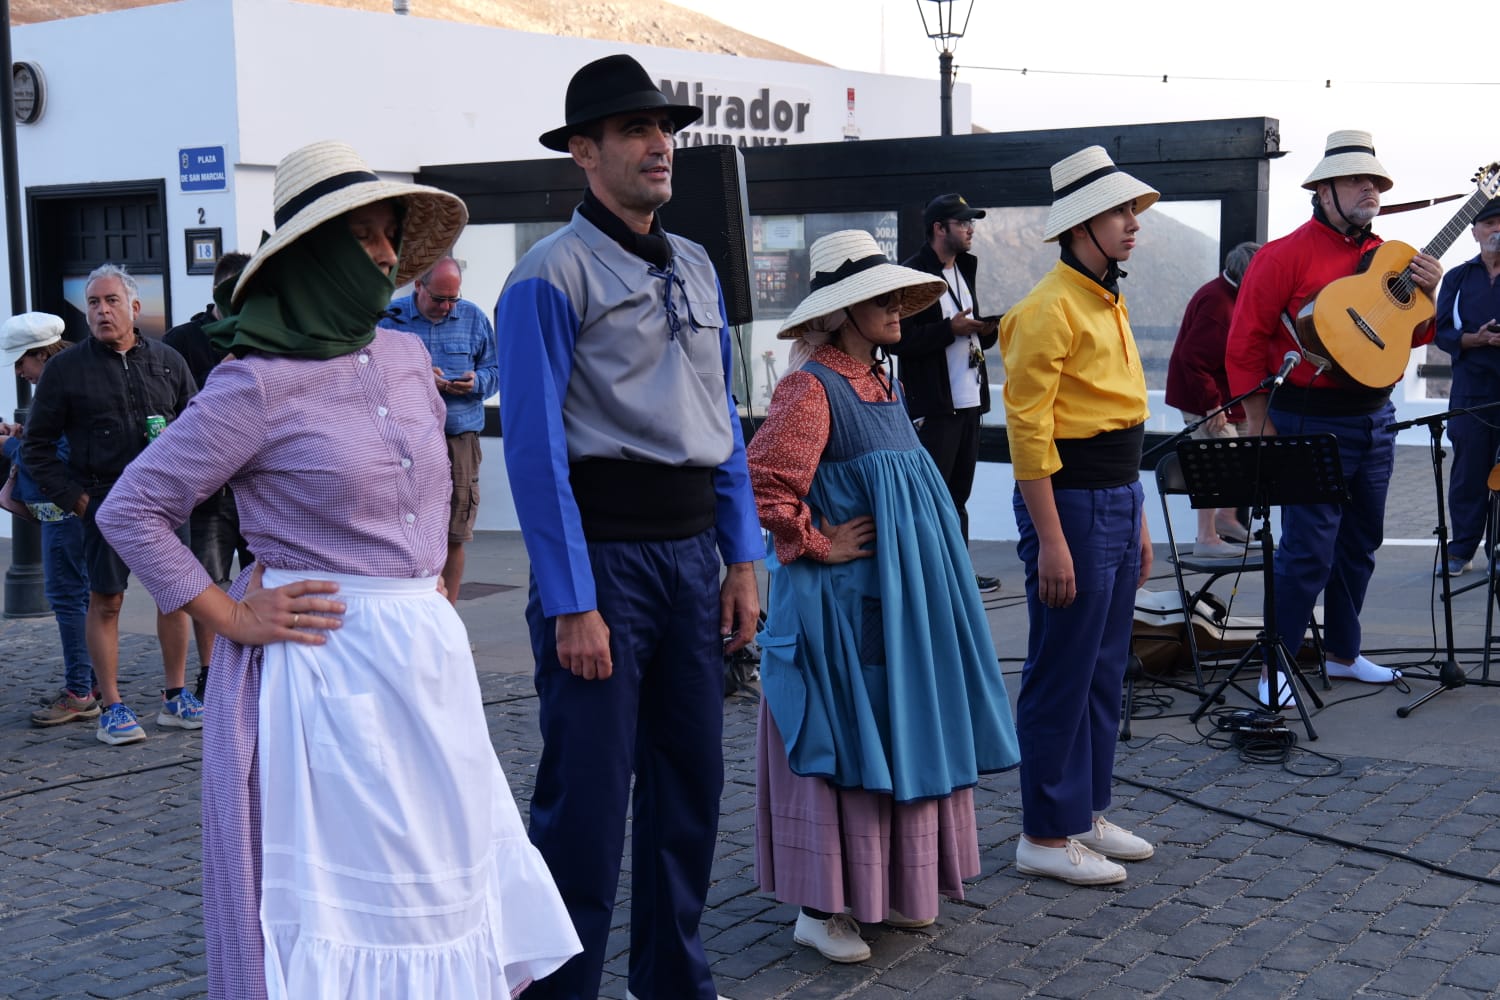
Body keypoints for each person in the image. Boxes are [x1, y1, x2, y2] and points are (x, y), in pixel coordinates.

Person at [96, 140, 579, 999]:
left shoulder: (401, 357)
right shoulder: (253, 383)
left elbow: (421, 490)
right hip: (326, 671)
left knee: (449, 877)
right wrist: (230, 613)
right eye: (364, 237)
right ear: (313, 253)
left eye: (390, 234)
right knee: (364, 902)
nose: (390, 256)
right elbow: (131, 509)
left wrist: (421, 579)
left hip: (424, 664)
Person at [495, 53, 762, 1000]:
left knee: (690, 790)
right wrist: (571, 602)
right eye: (637, 131)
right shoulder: (545, 277)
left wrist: (742, 554)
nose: (661, 146)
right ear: (583, 151)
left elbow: (722, 415)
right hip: (602, 565)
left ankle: (673, 983)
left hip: (694, 557)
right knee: (587, 807)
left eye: (667, 130)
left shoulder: (695, 263)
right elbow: (532, 455)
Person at [748, 229, 1020, 962]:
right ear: (839, 312)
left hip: (896, 603)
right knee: (847, 738)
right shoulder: (809, 387)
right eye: (878, 296)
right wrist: (816, 541)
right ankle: (819, 907)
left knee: (895, 730)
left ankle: (883, 891)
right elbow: (763, 482)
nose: (898, 305)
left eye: (897, 292)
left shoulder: (882, 380)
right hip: (842, 604)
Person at [1225, 130, 1442, 704]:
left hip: (1376, 418)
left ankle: (1344, 654)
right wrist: (1259, 427)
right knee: (1307, 549)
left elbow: (1414, 333)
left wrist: (1431, 295)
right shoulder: (1282, 256)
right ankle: (1276, 667)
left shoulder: (1390, 256)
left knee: (1361, 541)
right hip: (1307, 418)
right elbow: (1243, 348)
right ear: (1323, 191)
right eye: (1355, 179)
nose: (1369, 187)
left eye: (1375, 180)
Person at [1000, 145, 1158, 887]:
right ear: (1081, 225)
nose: (1133, 224)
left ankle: (1084, 810)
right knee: (1062, 667)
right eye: (1120, 212)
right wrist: (1054, 541)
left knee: (1102, 666)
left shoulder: (1102, 297)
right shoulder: (1045, 309)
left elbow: (1120, 426)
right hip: (1071, 502)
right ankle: (1042, 830)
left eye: (1131, 210)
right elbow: (1029, 435)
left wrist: (1140, 520)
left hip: (1114, 497)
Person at [21, 263, 201, 745]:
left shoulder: (167, 361)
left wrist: (189, 485)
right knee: (107, 600)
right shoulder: (65, 369)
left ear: (135, 307)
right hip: (103, 501)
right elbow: (36, 446)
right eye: (93, 303)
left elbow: (197, 427)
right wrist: (76, 500)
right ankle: (113, 707)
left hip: (166, 504)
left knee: (175, 597)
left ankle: (175, 697)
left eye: (111, 301)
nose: (102, 310)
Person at [891, 193, 1003, 594]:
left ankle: (959, 575)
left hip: (970, 401)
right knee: (933, 497)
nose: (971, 229)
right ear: (939, 228)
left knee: (959, 496)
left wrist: (984, 331)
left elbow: (966, 332)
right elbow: (897, 340)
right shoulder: (912, 273)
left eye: (971, 222)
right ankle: (929, 579)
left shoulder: (966, 268)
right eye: (963, 223)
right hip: (935, 405)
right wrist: (948, 331)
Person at [163, 251, 254, 700]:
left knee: (265, 577)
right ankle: (211, 674)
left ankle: (262, 668)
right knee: (208, 585)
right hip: (209, 491)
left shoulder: (267, 335)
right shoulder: (182, 341)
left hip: (259, 485)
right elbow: (173, 413)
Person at [0, 312, 97, 726]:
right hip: (73, 513)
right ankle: (90, 682)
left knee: (68, 599)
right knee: (84, 596)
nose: (20, 371)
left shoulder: (57, 389)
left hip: (62, 515)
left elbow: (55, 459)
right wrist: (21, 436)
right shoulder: (81, 376)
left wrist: (10, 447)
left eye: (22, 361)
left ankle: (80, 690)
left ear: (40, 354)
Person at [386, 255, 497, 604]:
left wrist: (477, 382)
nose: (447, 307)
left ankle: (447, 620)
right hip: (404, 441)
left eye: (454, 299)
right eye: (439, 299)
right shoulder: (389, 319)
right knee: (401, 529)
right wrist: (419, 378)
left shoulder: (474, 318)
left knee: (454, 533)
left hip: (458, 438)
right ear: (418, 285)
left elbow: (498, 370)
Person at [1164, 240, 1262, 558]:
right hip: (1203, 397)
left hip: (1230, 396)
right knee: (1214, 460)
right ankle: (1206, 538)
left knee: (1246, 454)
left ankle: (1227, 518)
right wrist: (1211, 404)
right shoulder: (1218, 303)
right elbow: (1193, 359)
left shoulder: (1237, 295)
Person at [1435, 198, 1500, 577]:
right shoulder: (1457, 277)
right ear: (1474, 231)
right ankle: (1461, 550)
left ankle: (1499, 550)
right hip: (1470, 392)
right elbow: (1441, 331)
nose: (1496, 231)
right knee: (1468, 472)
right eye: (1489, 223)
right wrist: (1473, 340)